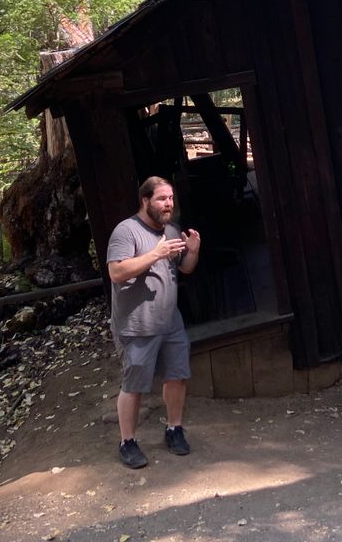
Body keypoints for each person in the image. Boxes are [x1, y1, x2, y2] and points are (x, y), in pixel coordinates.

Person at [107, 176, 201, 468]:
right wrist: (154, 253)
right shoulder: (126, 231)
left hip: (170, 321)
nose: (168, 204)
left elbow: (183, 269)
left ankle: (174, 429)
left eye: (170, 198)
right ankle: (128, 442)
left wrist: (193, 251)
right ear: (145, 201)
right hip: (137, 325)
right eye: (161, 199)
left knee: (177, 376)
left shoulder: (171, 229)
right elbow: (117, 272)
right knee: (134, 385)